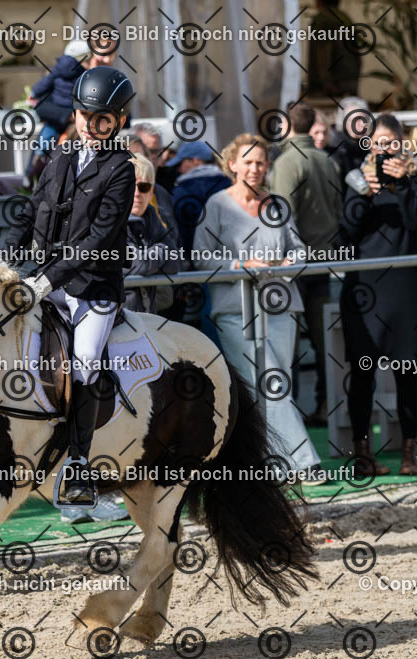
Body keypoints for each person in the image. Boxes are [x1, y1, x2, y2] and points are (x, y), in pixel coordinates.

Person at [5, 66, 136, 507]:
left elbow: (97, 240)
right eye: (84, 114)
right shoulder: (59, 156)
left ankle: (79, 463)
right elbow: (32, 210)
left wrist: (47, 280)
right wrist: (1, 256)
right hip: (47, 279)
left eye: (101, 118)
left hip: (93, 288)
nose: (90, 124)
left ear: (118, 120)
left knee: (82, 363)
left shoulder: (121, 169)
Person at [192, 133, 322, 480]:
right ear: (232, 164)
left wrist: (282, 264)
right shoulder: (216, 205)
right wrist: (240, 265)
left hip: (280, 304)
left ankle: (267, 463)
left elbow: (299, 250)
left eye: (260, 162)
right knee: (269, 381)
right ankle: (303, 461)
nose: (255, 168)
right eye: (247, 162)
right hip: (236, 308)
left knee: (275, 385)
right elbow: (200, 257)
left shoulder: (277, 204)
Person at [338, 114, 417, 477]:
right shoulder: (355, 180)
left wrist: (404, 182)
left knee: (408, 373)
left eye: (392, 143)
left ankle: (409, 451)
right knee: (362, 375)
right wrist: (366, 191)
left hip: (406, 289)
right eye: (379, 144)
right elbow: (346, 232)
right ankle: (362, 452)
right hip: (364, 288)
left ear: (403, 145)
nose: (386, 150)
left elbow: (414, 222)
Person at [270, 102, 341, 425]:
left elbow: (283, 221)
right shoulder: (328, 161)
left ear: (286, 125)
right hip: (323, 261)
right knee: (323, 340)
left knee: (289, 341)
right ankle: (328, 406)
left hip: (295, 266)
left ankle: (292, 413)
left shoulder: (287, 163)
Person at [24, 41, 117, 190]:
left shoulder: (110, 81)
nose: (103, 59)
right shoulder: (72, 74)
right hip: (59, 137)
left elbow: (123, 118)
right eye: (98, 55)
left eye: (109, 55)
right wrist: (71, 116)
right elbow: (42, 106)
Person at [124, 154, 180, 313]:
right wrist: (162, 249)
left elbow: (175, 262)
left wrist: (151, 256)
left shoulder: (150, 215)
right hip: (116, 319)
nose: (137, 193)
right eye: (129, 186)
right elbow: (141, 264)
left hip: (147, 316)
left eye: (144, 187)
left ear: (151, 192)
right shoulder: (109, 220)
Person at [168, 141, 231, 255]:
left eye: (180, 163)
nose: (179, 169)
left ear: (196, 161)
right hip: (231, 260)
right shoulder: (230, 185)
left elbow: (179, 232)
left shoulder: (180, 191)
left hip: (193, 262)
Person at [306, 0, 361, 98]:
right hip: (350, 81)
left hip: (331, 86)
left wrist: (326, 82)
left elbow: (323, 54)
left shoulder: (322, 19)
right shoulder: (345, 18)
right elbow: (357, 54)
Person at [130, 122, 176, 227]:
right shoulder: (115, 191)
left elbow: (174, 237)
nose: (151, 157)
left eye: (156, 151)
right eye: (146, 150)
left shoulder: (163, 192)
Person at [328, 97, 370, 187]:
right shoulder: (336, 148)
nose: (362, 124)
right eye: (357, 120)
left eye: (364, 119)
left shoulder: (366, 146)